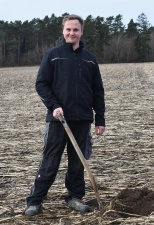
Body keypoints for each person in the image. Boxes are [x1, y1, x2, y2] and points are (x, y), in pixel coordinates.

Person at [25, 14, 106, 216]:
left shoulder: (90, 59)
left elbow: (98, 91)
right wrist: (54, 105)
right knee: (50, 160)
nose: (72, 33)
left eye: (75, 30)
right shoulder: (52, 55)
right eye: (68, 29)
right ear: (63, 31)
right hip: (58, 119)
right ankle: (34, 201)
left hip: (82, 119)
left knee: (77, 161)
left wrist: (100, 119)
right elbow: (41, 84)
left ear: (81, 32)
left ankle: (74, 197)